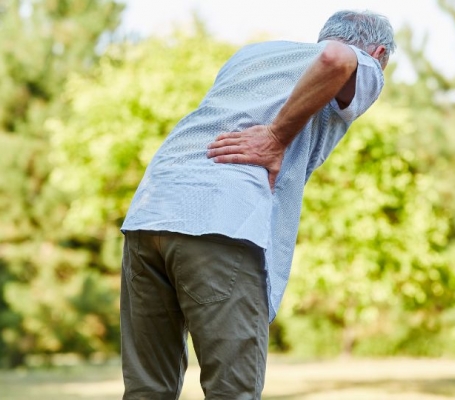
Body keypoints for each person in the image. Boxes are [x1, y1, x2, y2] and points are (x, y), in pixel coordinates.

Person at [120, 9, 396, 400]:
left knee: (148, 388)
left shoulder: (252, 56)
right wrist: (275, 137)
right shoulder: (364, 63)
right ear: (380, 53)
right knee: (233, 390)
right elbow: (337, 58)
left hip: (151, 210)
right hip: (219, 219)